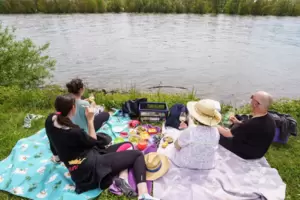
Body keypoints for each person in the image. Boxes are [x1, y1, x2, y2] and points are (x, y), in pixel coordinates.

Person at [45, 94, 159, 200]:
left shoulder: (50, 120)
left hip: (81, 164)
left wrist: (57, 157)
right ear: (73, 108)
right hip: (91, 169)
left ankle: (122, 178)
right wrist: (90, 120)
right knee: (138, 155)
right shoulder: (75, 132)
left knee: (127, 145)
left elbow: (52, 141)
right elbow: (93, 141)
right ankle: (143, 194)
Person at [218, 91, 276, 159]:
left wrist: (215, 125)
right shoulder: (270, 118)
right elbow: (249, 128)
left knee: (219, 135)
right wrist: (238, 122)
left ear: (256, 104)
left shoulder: (252, 123)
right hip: (259, 151)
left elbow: (227, 134)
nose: (250, 100)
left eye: (252, 98)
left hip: (248, 154)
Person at [172, 99, 221, 170]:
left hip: (187, 163)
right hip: (207, 165)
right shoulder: (216, 131)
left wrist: (184, 131)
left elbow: (177, 146)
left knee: (174, 146)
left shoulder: (191, 130)